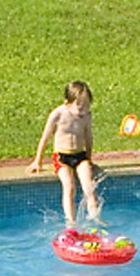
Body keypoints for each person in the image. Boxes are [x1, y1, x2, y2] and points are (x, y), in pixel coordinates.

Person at [30, 81, 101, 225]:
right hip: (62, 158)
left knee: (90, 187)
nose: (84, 109)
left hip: (80, 156)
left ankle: (96, 220)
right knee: (69, 187)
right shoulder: (57, 115)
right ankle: (71, 222)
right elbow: (45, 138)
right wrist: (38, 161)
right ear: (67, 103)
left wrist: (88, 159)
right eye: (80, 106)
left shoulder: (86, 116)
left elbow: (88, 137)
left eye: (87, 105)